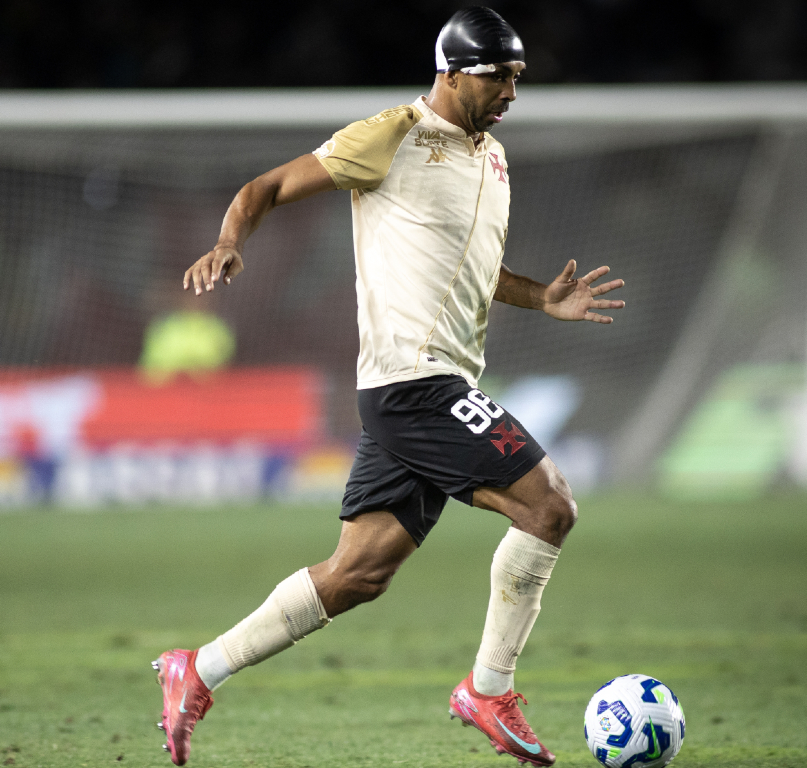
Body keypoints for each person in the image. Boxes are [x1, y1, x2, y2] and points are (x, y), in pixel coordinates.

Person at [152, 8, 626, 766]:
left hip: (428, 385)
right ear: (451, 74)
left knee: (358, 575)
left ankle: (197, 670)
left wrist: (541, 297)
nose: (510, 92)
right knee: (550, 506)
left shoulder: (493, 158)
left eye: (517, 78)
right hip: (415, 383)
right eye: (497, 77)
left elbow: (472, 270)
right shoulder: (392, 135)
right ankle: (489, 689)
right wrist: (229, 242)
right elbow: (265, 186)